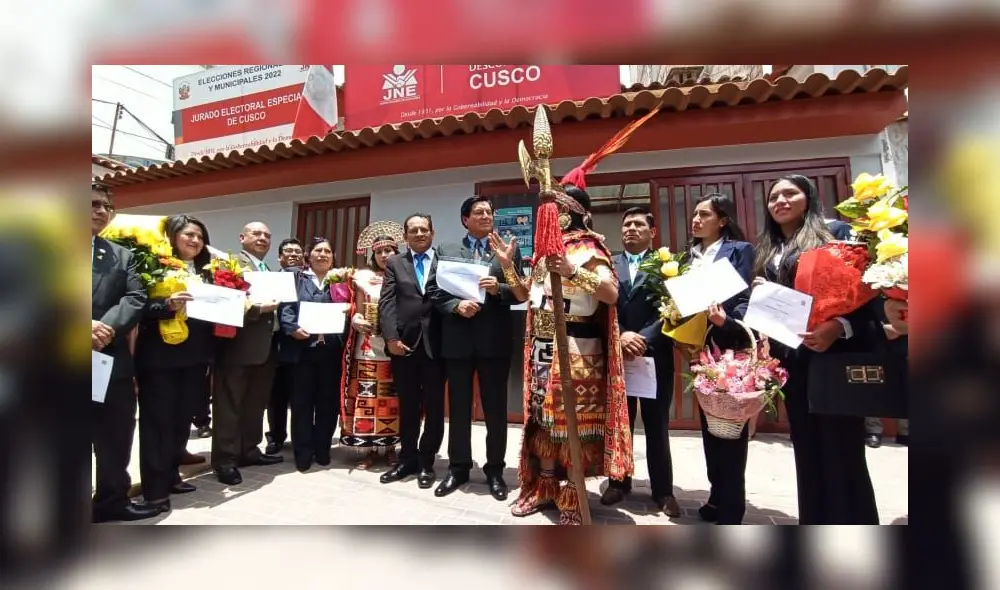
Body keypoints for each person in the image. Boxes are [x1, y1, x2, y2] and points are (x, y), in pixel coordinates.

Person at [752, 174, 881, 524]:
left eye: (789, 194)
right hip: (794, 362)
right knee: (807, 450)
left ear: (809, 198)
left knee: (842, 451)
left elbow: (869, 298)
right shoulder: (770, 248)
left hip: (833, 359)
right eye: (773, 197)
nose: (780, 201)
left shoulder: (834, 234)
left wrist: (837, 327)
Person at [509, 183, 632, 525]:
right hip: (542, 346)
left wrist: (573, 271)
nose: (545, 218)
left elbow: (609, 294)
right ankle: (545, 487)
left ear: (570, 213)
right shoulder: (541, 252)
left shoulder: (590, 248)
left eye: (552, 211)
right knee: (543, 421)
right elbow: (525, 295)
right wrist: (509, 267)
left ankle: (574, 496)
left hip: (578, 347)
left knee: (573, 425)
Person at [427, 196, 525, 501]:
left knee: (496, 410)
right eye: (479, 212)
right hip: (458, 340)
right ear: (464, 219)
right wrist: (456, 306)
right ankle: (457, 468)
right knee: (458, 409)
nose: (486, 216)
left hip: (494, 340)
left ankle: (495, 469)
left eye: (489, 212)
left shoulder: (507, 250)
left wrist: (499, 289)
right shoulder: (447, 250)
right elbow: (433, 290)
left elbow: (521, 291)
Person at [600, 206, 682, 517]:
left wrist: (643, 338)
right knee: (619, 424)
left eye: (638, 225)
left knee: (657, 427)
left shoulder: (668, 266)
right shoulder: (607, 263)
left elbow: (673, 309)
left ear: (652, 232)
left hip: (654, 358)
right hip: (618, 355)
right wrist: (620, 335)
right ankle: (618, 482)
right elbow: (602, 307)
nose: (631, 229)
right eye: (626, 225)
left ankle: (663, 491)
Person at [680, 194, 756, 525]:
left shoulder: (739, 250)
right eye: (694, 215)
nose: (696, 220)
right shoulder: (687, 256)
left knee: (731, 428)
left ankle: (732, 506)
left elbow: (742, 298)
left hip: (729, 345)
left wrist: (729, 322)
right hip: (699, 348)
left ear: (722, 219)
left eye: (704, 215)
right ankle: (715, 496)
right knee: (710, 425)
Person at [133, 214, 216, 512]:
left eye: (200, 236)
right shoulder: (150, 265)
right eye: (189, 234)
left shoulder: (209, 272)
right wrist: (165, 305)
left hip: (195, 358)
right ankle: (155, 491)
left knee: (181, 420)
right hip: (160, 357)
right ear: (171, 237)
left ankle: (171, 476)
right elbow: (137, 305)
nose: (195, 240)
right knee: (157, 423)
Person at [90, 182, 160, 522]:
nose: (100, 211)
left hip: (108, 358)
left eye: (105, 205)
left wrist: (103, 329)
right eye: (91, 204)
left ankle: (111, 501)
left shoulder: (121, 255)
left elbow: (135, 297)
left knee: (115, 434)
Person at [211, 222, 284, 486]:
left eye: (267, 234)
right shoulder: (228, 265)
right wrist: (258, 310)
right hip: (237, 347)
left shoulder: (268, 270)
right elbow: (224, 302)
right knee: (230, 406)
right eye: (257, 233)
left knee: (255, 404)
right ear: (242, 237)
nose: (263, 238)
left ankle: (249, 451)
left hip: (266, 348)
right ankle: (225, 460)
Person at [377, 214, 446, 490]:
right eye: (413, 230)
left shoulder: (444, 260)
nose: (419, 234)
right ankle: (407, 458)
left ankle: (427, 461)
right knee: (407, 406)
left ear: (432, 233)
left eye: (424, 229)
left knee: (434, 406)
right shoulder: (395, 263)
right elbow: (387, 302)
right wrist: (391, 337)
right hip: (403, 346)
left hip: (437, 346)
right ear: (405, 236)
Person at [277, 238, 344, 472]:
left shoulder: (341, 281)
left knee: (328, 404)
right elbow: (285, 308)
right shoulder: (296, 278)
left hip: (332, 351)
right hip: (302, 351)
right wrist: (291, 328)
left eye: (327, 251)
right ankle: (303, 452)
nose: (322, 255)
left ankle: (323, 448)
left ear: (333, 257)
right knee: (301, 403)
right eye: (318, 251)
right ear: (309, 255)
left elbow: (353, 307)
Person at [340, 222, 403, 468]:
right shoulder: (362, 277)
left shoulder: (404, 275)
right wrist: (355, 318)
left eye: (389, 250)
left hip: (394, 346)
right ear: (372, 255)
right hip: (367, 346)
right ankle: (368, 449)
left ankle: (389, 448)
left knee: (392, 398)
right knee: (367, 397)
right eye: (379, 251)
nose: (385, 255)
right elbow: (355, 305)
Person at [265, 238, 304, 455]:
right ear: (280, 257)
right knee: (276, 396)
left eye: (297, 251)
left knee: (298, 394)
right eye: (288, 251)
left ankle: (299, 437)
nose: (293, 254)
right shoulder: (270, 278)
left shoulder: (306, 279)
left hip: (299, 342)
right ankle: (276, 437)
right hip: (273, 343)